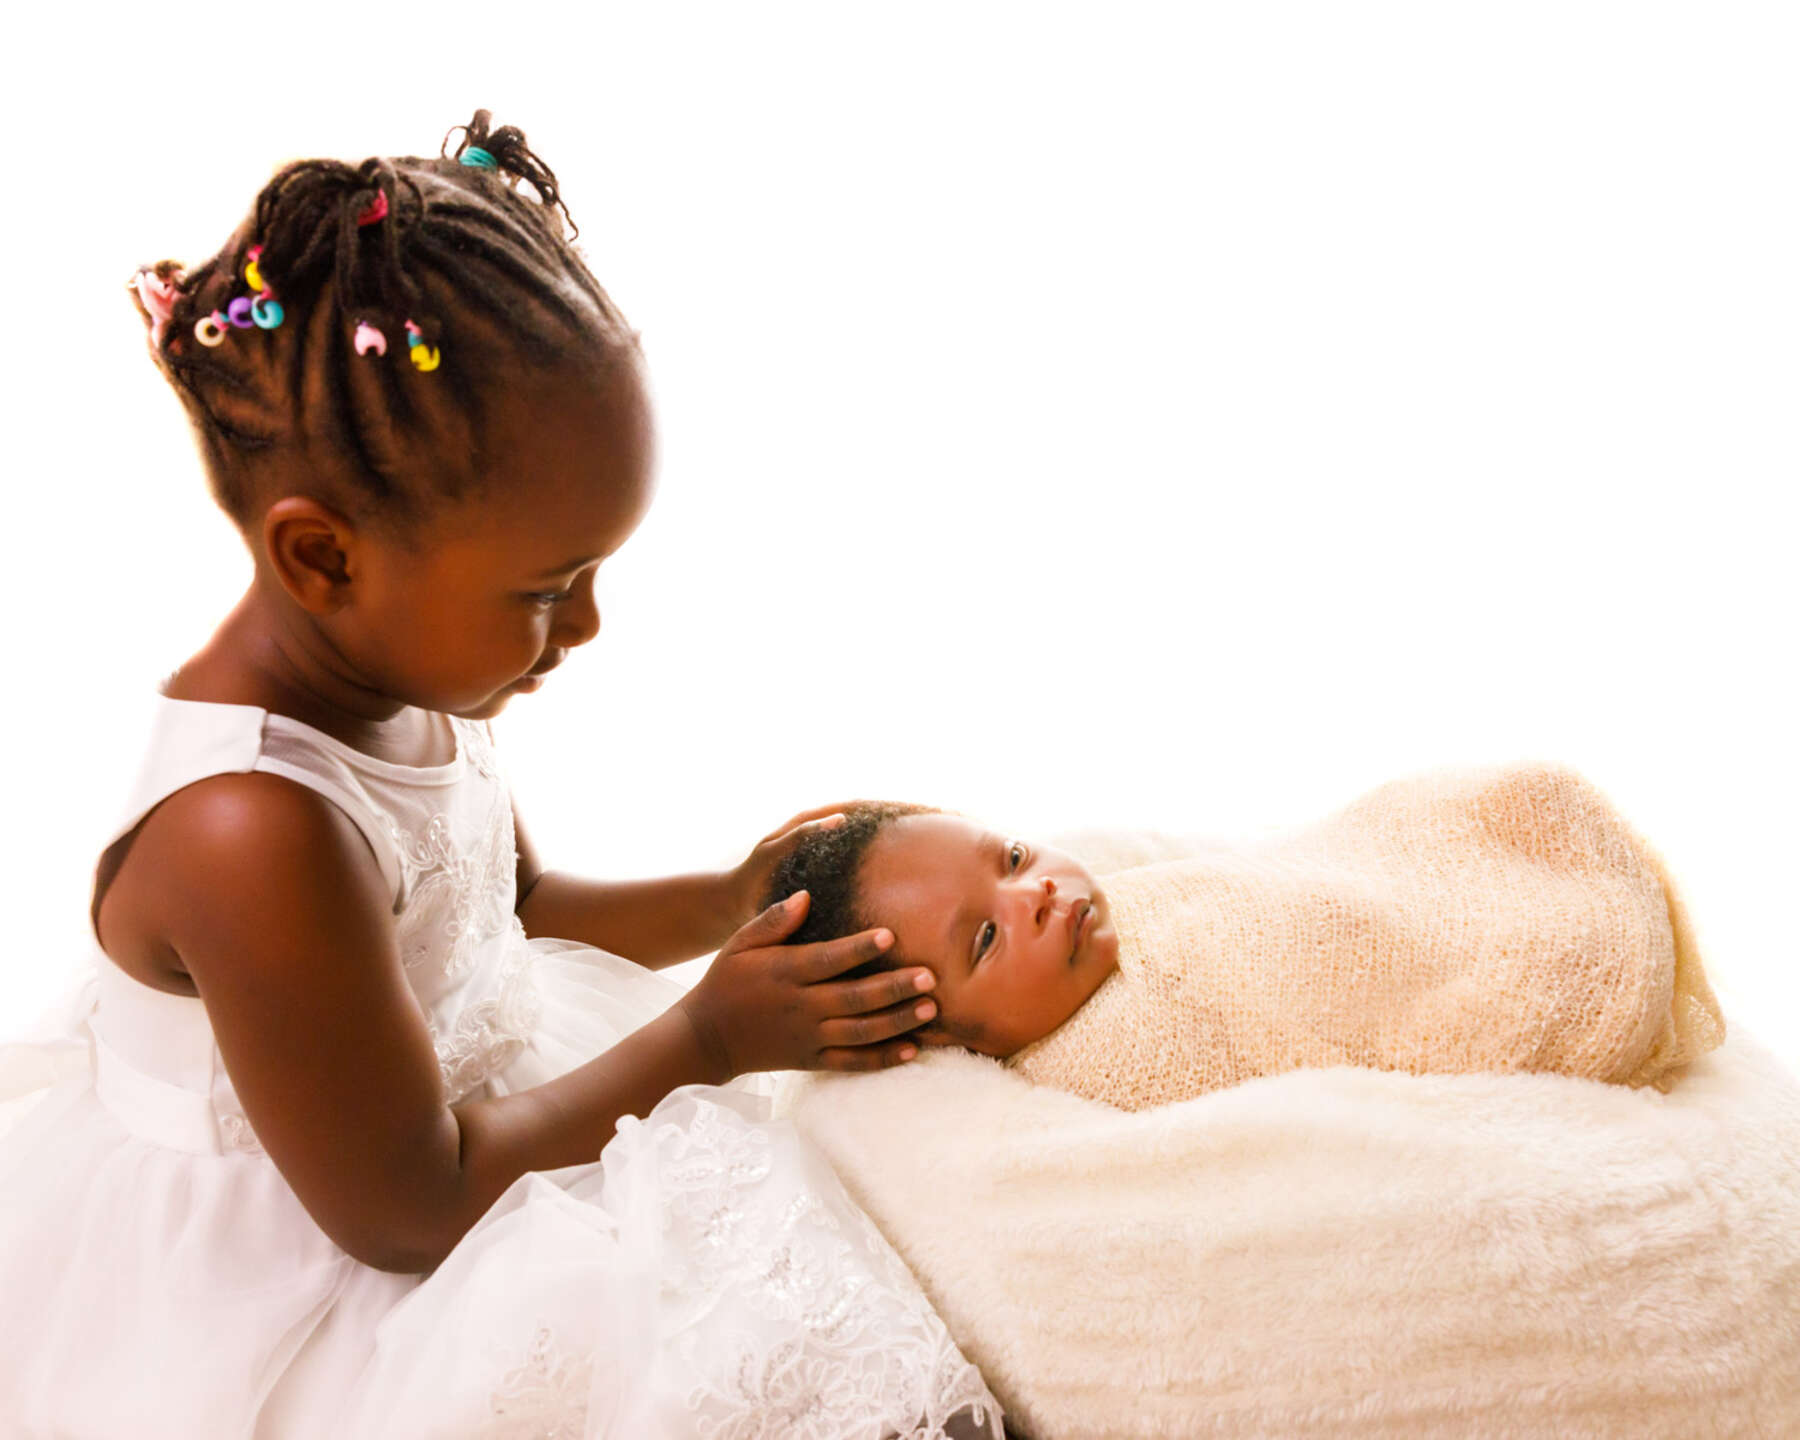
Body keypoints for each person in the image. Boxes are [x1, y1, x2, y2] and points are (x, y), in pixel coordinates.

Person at [0, 112, 1000, 1440]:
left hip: (466, 1119)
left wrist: (730, 894)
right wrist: (704, 1037)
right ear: (326, 560)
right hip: (355, 1238)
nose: (584, 627)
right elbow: (407, 1207)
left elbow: (513, 906)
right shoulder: (248, 831)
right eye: (546, 589)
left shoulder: (403, 665)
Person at [764, 777, 1725, 1110]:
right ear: (946, 1032)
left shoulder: (1130, 899)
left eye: (1011, 855)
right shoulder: (1095, 1061)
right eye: (984, 934)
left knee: (1501, 810)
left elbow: (1299, 882)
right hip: (1435, 973)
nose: (1037, 893)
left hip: (1391, 891)